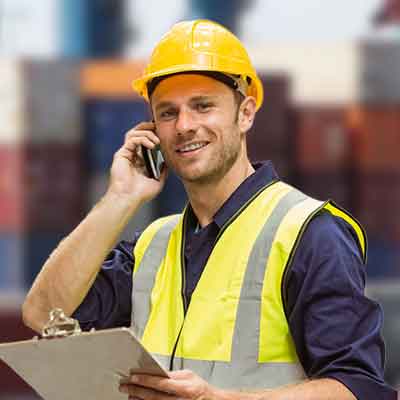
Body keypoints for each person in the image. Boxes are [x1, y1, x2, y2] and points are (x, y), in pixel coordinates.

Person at [22, 20, 396, 400]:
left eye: (203, 106)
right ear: (153, 130)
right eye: (167, 112)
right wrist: (120, 197)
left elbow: (357, 387)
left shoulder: (309, 232)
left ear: (245, 114)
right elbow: (43, 314)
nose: (184, 125)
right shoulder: (153, 245)